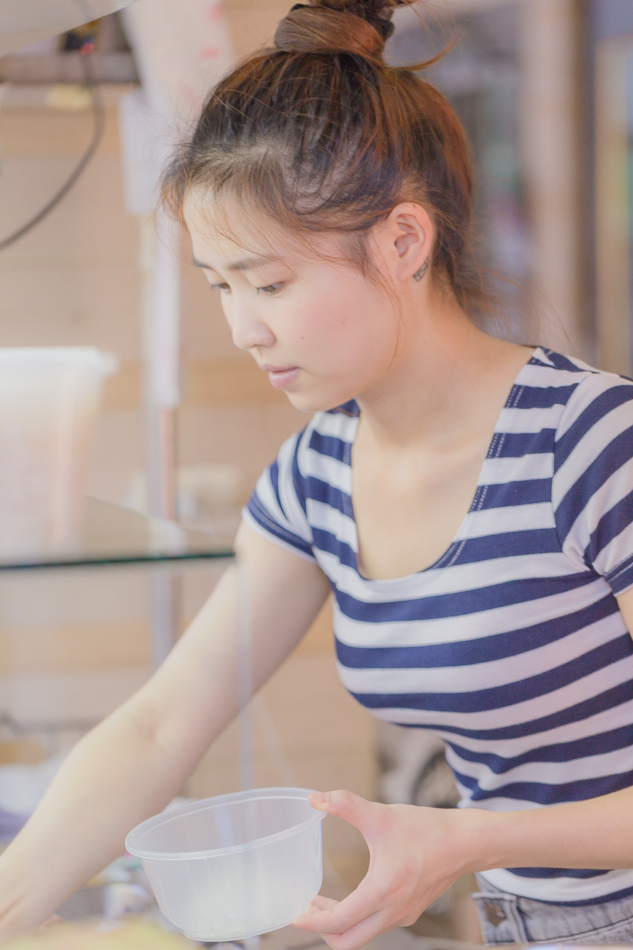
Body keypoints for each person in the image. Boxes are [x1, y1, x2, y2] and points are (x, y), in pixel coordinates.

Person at [1, 1, 633, 947]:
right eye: (220, 286)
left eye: (269, 283)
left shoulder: (590, 442)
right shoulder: (316, 475)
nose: (242, 328)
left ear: (402, 242)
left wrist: (469, 840)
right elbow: (160, 726)